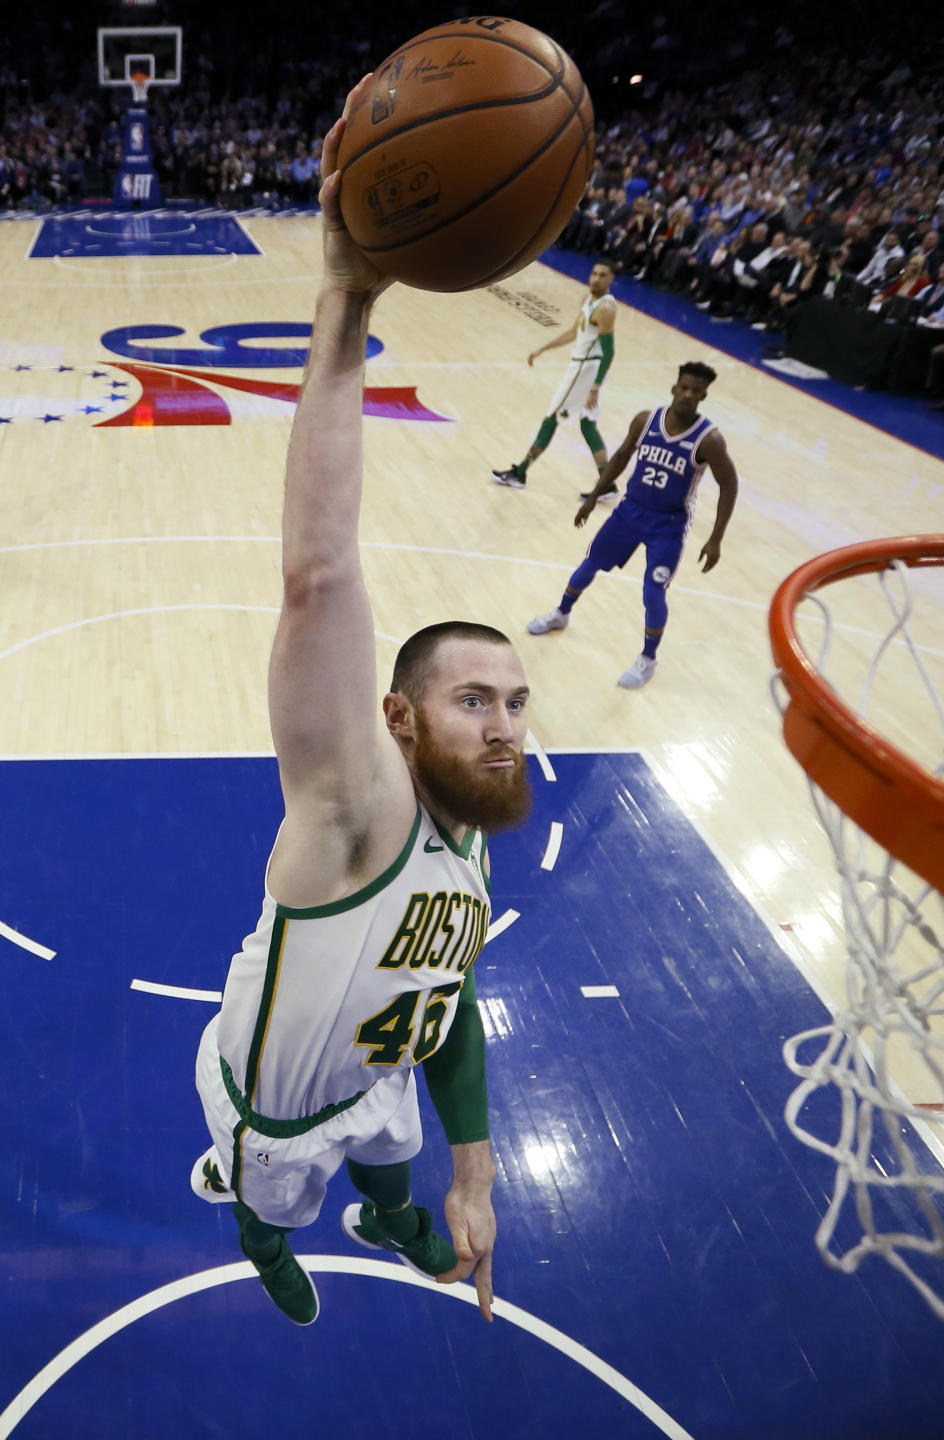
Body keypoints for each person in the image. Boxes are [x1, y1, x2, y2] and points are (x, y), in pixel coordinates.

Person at [190, 79, 532, 1329]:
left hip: (377, 1061)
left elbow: (447, 1016)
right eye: (472, 700)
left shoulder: (478, 833)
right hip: (277, 1091)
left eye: (516, 701)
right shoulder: (354, 816)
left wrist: (473, 1174)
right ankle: (261, 1235)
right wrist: (349, 293)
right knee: (276, 1191)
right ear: (397, 724)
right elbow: (319, 573)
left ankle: (384, 1210)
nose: (505, 725)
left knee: (386, 1140)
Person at [524, 363, 739, 689]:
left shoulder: (709, 440)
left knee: (653, 592)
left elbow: (730, 485)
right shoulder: (646, 420)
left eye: (695, 391)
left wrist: (716, 539)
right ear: (673, 388)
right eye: (683, 387)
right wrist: (594, 495)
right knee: (589, 564)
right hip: (629, 511)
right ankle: (561, 613)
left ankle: (648, 658)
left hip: (669, 525)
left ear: (704, 396)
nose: (687, 395)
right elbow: (622, 455)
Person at [490, 261, 617, 495]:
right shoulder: (588, 300)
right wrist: (543, 349)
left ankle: (521, 472)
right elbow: (574, 332)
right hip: (582, 368)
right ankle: (607, 483)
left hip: (585, 371)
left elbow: (609, 352)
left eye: (603, 275)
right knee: (588, 424)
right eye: (594, 273)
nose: (596, 279)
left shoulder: (605, 309)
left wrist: (595, 387)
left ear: (611, 279)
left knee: (551, 417)